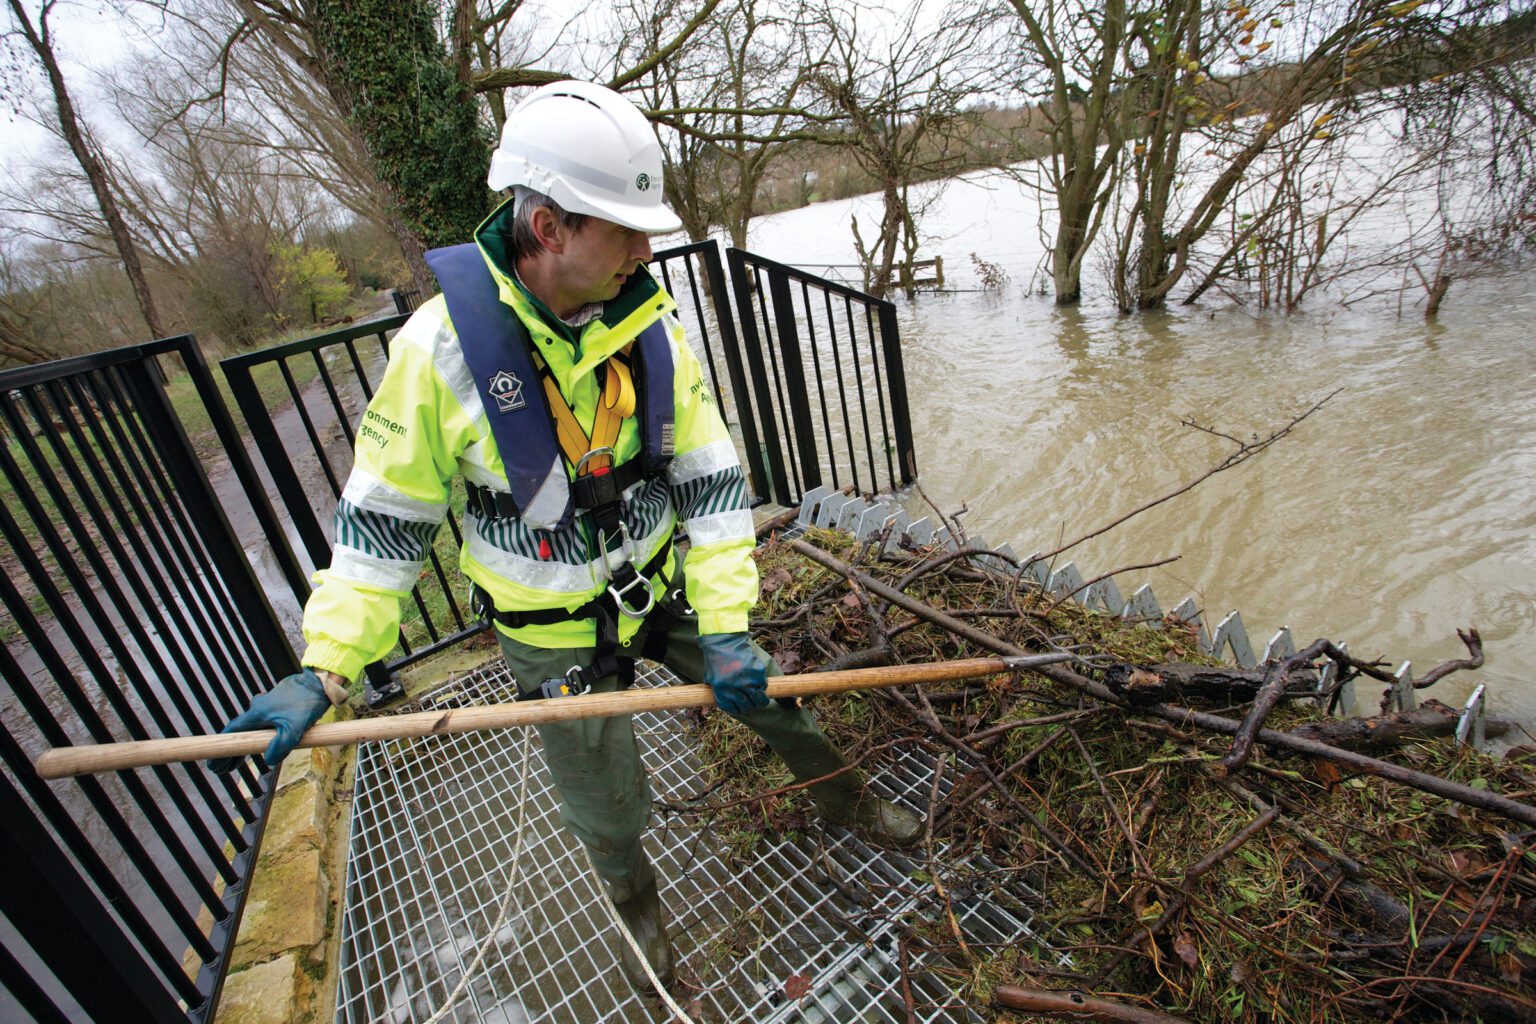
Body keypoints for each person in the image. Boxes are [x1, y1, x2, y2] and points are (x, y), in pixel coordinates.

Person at [211, 79, 921, 996]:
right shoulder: (440, 358)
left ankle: (849, 806)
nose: (646, 247)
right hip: (553, 642)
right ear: (550, 230)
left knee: (777, 701)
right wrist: (326, 667)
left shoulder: (650, 327)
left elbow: (711, 483)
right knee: (610, 812)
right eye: (625, 229)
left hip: (659, 595)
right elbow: (383, 529)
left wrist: (728, 624)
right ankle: (648, 934)